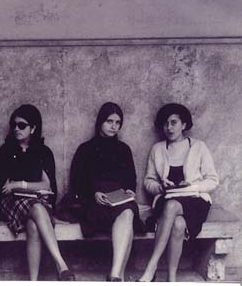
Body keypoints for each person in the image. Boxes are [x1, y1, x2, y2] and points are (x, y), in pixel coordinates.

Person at [0, 104, 75, 281]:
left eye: (22, 125)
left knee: (34, 226)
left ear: (33, 128)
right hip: (11, 204)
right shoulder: (6, 151)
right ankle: (61, 264)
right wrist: (31, 186)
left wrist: (18, 184)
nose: (16, 129)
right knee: (36, 208)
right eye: (14, 125)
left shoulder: (43, 152)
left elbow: (49, 187)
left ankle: (33, 281)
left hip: (38, 205)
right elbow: (2, 188)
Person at [138, 103, 219, 282]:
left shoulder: (199, 147)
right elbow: (148, 181)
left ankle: (151, 268)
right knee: (178, 224)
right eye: (166, 123)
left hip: (194, 200)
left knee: (174, 207)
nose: (169, 127)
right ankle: (172, 279)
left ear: (184, 125)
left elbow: (213, 180)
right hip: (166, 198)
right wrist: (160, 187)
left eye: (174, 122)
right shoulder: (158, 149)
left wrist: (191, 186)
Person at [69, 102, 143, 281]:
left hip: (118, 200)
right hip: (94, 203)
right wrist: (93, 193)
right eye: (109, 121)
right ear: (100, 121)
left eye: (118, 123)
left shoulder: (124, 149)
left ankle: (115, 275)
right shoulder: (85, 149)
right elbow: (76, 183)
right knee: (128, 219)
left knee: (127, 211)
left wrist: (129, 191)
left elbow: (130, 179)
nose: (113, 126)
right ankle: (118, 276)